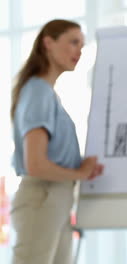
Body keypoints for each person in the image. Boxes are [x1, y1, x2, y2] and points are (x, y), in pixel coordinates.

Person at [10, 19, 103, 264]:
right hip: (43, 195)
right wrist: (80, 172)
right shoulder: (38, 92)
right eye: (73, 42)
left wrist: (81, 167)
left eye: (82, 45)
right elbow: (36, 164)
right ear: (48, 43)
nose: (79, 51)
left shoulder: (45, 94)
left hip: (54, 198)